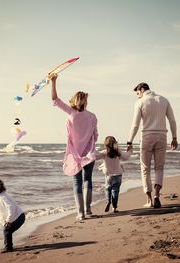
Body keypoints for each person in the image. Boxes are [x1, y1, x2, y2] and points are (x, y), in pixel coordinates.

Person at [50, 73, 98, 221]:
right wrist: (89, 145)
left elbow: (55, 100)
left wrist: (53, 81)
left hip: (74, 153)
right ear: (85, 101)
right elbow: (95, 135)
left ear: (75, 101)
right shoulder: (92, 116)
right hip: (89, 152)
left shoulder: (71, 113)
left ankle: (80, 213)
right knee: (87, 179)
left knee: (77, 181)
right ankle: (88, 209)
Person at [127, 82, 178, 208]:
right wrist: (174, 137)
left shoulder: (140, 102)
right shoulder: (164, 100)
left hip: (147, 137)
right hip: (162, 136)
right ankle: (156, 195)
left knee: (145, 168)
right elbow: (172, 120)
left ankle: (149, 200)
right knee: (159, 168)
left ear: (142, 89)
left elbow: (135, 125)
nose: (138, 96)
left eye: (138, 93)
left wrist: (129, 141)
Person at [96, 136, 132, 213]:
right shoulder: (118, 152)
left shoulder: (104, 152)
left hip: (108, 175)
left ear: (105, 144)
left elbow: (95, 157)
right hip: (118, 175)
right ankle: (114, 208)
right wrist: (129, 150)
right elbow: (126, 157)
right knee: (115, 191)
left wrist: (91, 148)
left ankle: (108, 201)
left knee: (107, 189)